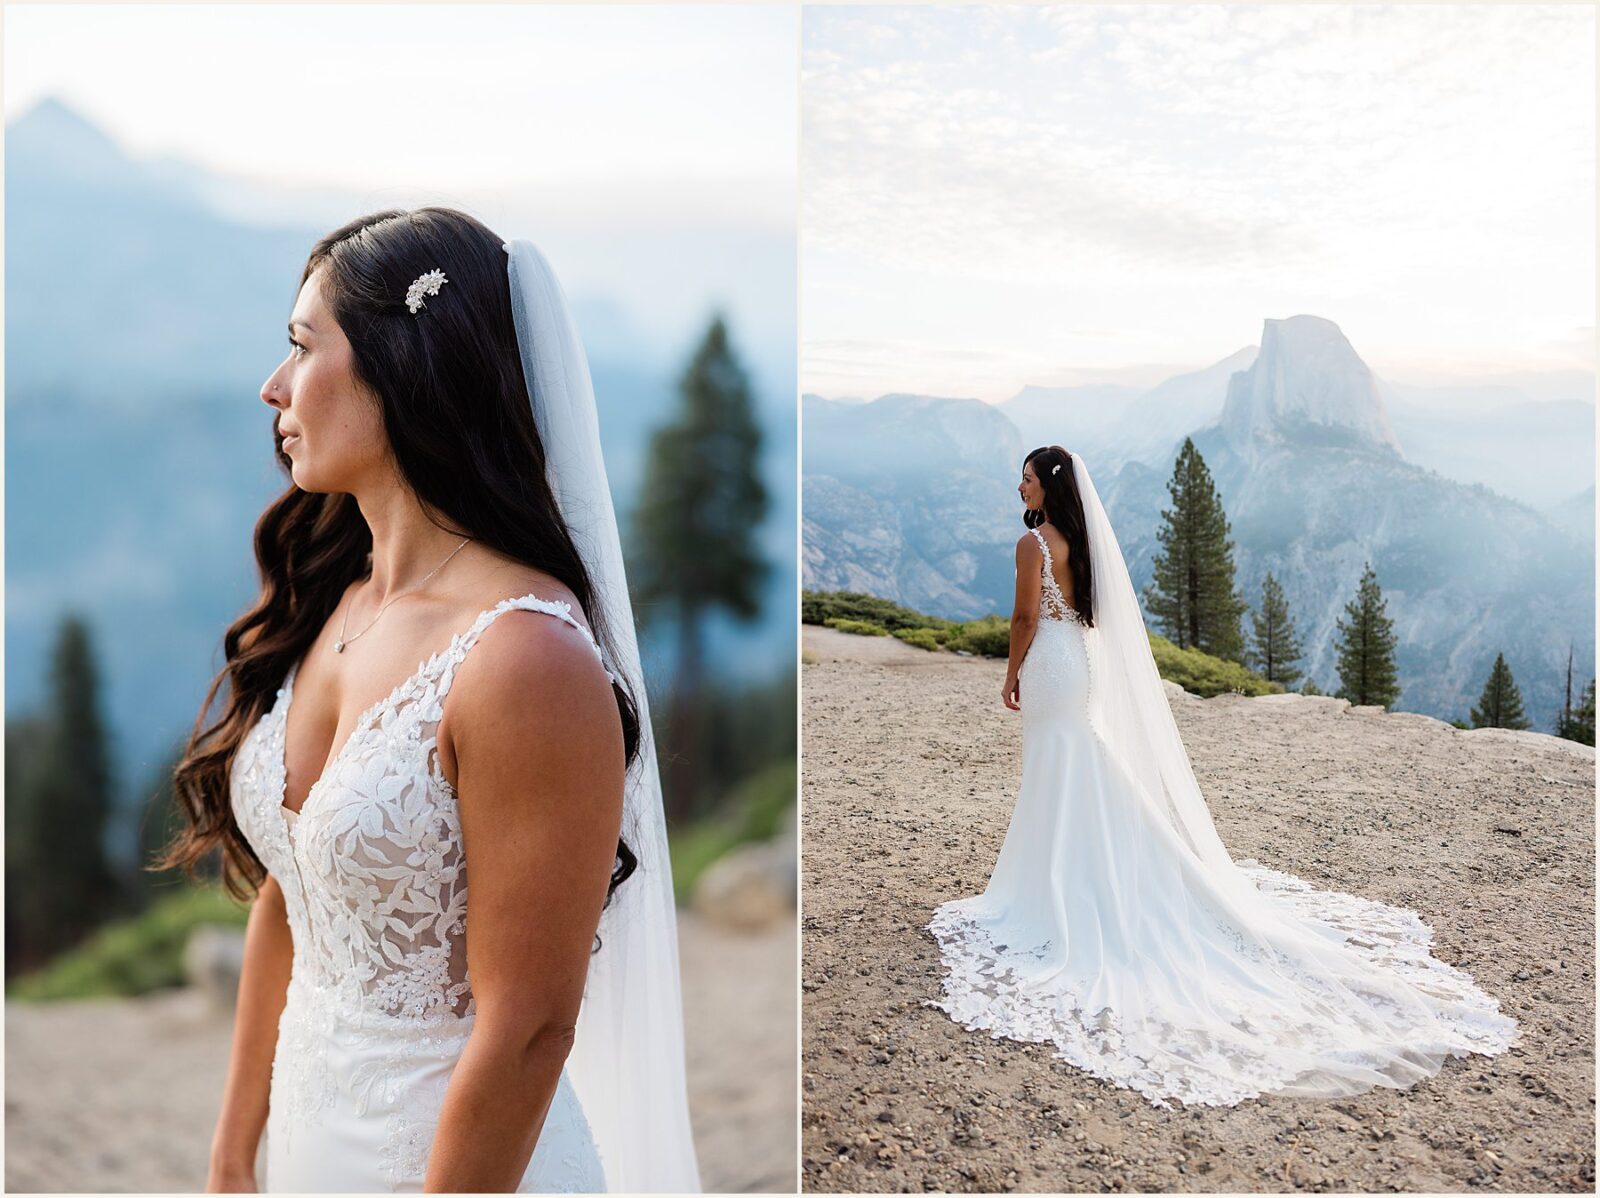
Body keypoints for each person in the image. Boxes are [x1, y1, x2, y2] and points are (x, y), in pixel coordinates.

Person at [158, 208, 700, 1191]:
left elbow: (529, 1026)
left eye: (301, 346)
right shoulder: (337, 598)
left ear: (402, 368)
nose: (273, 386)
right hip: (311, 1147)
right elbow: (298, 889)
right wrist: (234, 1151)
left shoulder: (525, 658)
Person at [928, 443, 1518, 1108]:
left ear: (1049, 487)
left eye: (1028, 479)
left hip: (1048, 666)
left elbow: (1024, 618)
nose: (1020, 488)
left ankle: (1060, 880)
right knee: (1081, 760)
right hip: (1080, 665)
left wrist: (1010, 672)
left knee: (1058, 766)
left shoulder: (1033, 544)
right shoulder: (1085, 543)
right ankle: (1111, 865)